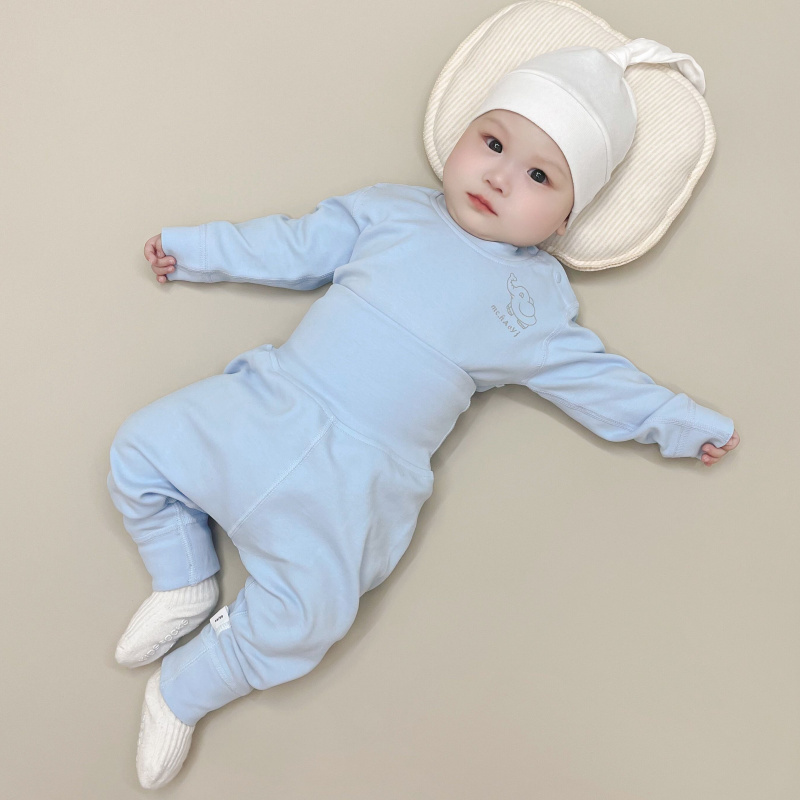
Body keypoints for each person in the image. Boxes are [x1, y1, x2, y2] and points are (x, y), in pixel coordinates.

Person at [108, 38, 739, 789]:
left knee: (310, 618)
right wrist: (196, 251)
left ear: (565, 221)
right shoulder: (390, 211)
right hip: (271, 402)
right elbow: (293, 244)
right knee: (139, 450)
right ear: (462, 135)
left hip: (358, 483)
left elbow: (597, 380)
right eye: (493, 144)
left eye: (539, 176)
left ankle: (186, 687)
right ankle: (184, 579)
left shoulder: (532, 303)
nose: (500, 177)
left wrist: (680, 424)